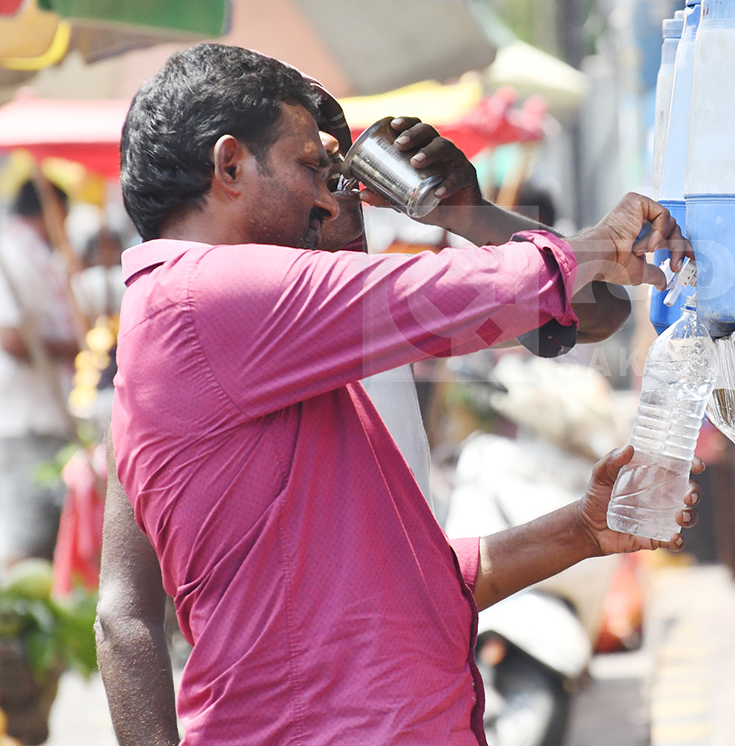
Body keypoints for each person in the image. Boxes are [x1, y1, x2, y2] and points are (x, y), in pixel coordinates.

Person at [97, 43, 700, 745]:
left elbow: (398, 589)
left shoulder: (290, 334)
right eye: (312, 171)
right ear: (231, 167)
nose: (331, 200)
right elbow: (453, 296)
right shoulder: (202, 299)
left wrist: (579, 531)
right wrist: (592, 246)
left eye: (343, 178)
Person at [0, 180, 78, 568]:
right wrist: (72, 346)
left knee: (47, 543)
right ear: (49, 212)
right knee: (27, 544)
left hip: (44, 418)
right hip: (23, 421)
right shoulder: (11, 255)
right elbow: (11, 338)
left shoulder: (32, 256)